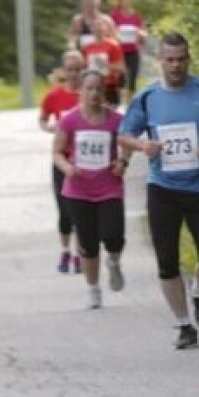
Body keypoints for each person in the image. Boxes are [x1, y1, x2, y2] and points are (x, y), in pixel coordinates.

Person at [118, 31, 199, 349]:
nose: (176, 66)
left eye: (181, 59)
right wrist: (144, 145)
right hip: (163, 189)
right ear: (160, 61)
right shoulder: (147, 97)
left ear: (189, 58)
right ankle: (185, 325)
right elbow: (124, 135)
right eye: (170, 60)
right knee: (167, 261)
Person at [52, 69, 131, 309]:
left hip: (109, 187)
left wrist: (122, 161)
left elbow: (127, 144)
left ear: (104, 91)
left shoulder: (116, 120)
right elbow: (57, 151)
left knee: (114, 235)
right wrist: (67, 167)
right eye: (89, 88)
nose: (95, 93)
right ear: (81, 91)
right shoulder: (70, 120)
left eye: (99, 88)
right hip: (78, 190)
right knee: (88, 243)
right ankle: (93, 290)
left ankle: (114, 262)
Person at [39, 49, 85, 273]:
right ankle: (66, 251)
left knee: (80, 209)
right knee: (64, 210)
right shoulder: (54, 96)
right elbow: (42, 119)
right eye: (70, 69)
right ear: (63, 71)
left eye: (78, 69)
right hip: (61, 159)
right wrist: (49, 128)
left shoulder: (88, 95)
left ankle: (79, 254)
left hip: (84, 160)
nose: (74, 74)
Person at [111, 0, 147, 104]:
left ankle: (130, 104)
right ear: (120, 1)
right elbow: (109, 32)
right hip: (119, 51)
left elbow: (143, 33)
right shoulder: (114, 16)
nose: (126, 2)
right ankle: (120, 104)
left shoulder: (136, 16)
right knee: (120, 78)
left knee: (132, 78)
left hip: (133, 50)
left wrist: (141, 34)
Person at [81, 16, 126, 107]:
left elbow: (121, 68)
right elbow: (84, 67)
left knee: (112, 114)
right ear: (92, 29)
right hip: (93, 86)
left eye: (101, 26)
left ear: (105, 28)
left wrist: (106, 64)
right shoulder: (87, 48)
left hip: (109, 85)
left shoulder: (113, 45)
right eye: (95, 26)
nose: (98, 29)